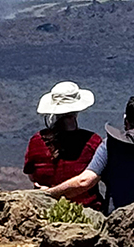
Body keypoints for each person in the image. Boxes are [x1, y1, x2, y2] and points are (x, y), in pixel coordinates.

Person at [42, 93, 134, 213]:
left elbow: (84, 182)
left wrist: (48, 194)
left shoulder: (110, 145)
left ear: (126, 121)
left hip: (118, 220)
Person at [24, 81, 103, 210]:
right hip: (87, 210)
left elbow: (32, 175)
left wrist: (47, 193)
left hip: (45, 209)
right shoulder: (92, 142)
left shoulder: (36, 141)